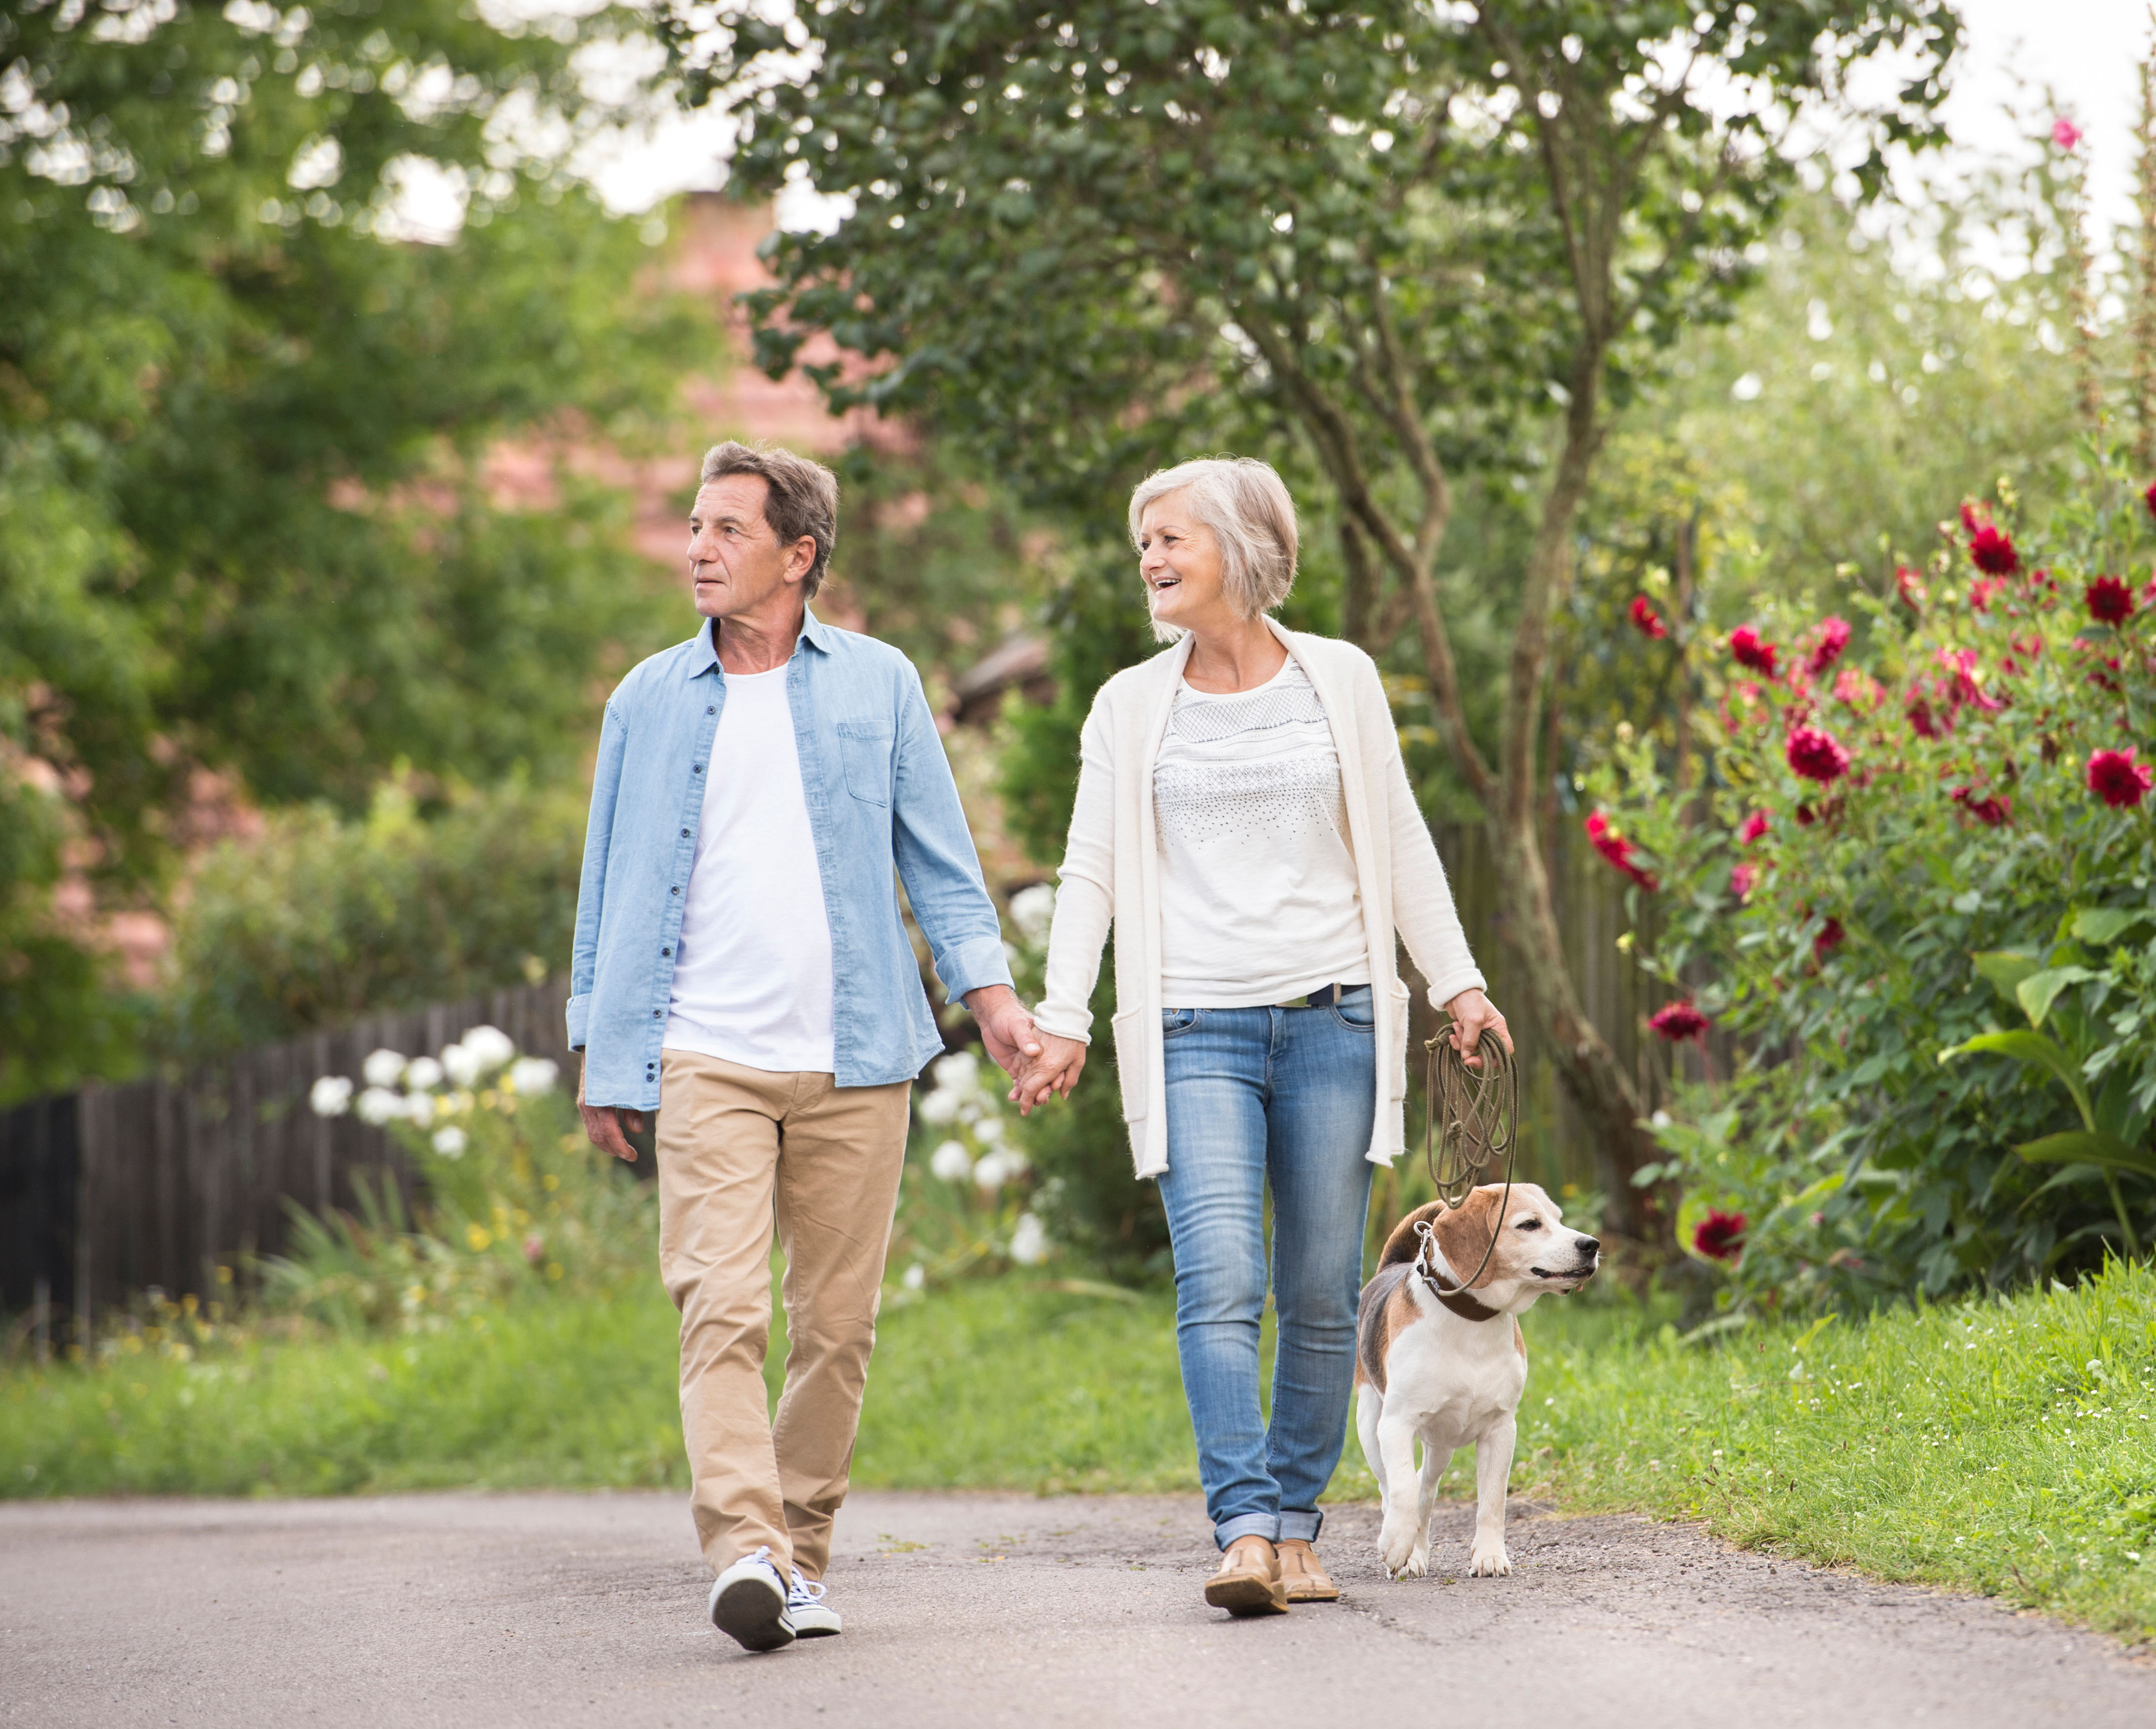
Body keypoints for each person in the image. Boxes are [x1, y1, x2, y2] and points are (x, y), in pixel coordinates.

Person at [1013, 456, 1509, 1615]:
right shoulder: (1130, 704)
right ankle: (1240, 1528)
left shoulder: (1338, 678)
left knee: (1324, 1288)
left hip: (1333, 1014)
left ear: (1240, 548)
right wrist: (1062, 1016)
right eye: (1144, 539)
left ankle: (1295, 1525)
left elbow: (1397, 836)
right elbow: (1087, 870)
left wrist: (1458, 981)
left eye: (1171, 539)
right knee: (1220, 1278)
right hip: (1193, 1026)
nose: (1149, 559)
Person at [568, 440, 1043, 1652]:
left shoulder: (877, 684)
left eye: (727, 530)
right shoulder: (646, 698)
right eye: (693, 527)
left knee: (836, 1325)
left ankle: (799, 1556)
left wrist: (994, 1005)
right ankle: (744, 1547)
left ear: (799, 554)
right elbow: (606, 889)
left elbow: (939, 863)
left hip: (857, 1053)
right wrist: (602, 1051)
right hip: (703, 1050)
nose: (697, 550)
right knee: (717, 1304)